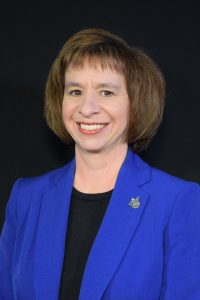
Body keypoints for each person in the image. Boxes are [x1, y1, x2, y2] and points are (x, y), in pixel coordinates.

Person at [0, 28, 200, 300]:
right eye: (75, 91)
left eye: (106, 92)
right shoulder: (26, 197)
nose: (87, 107)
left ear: (136, 103)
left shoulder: (176, 201)